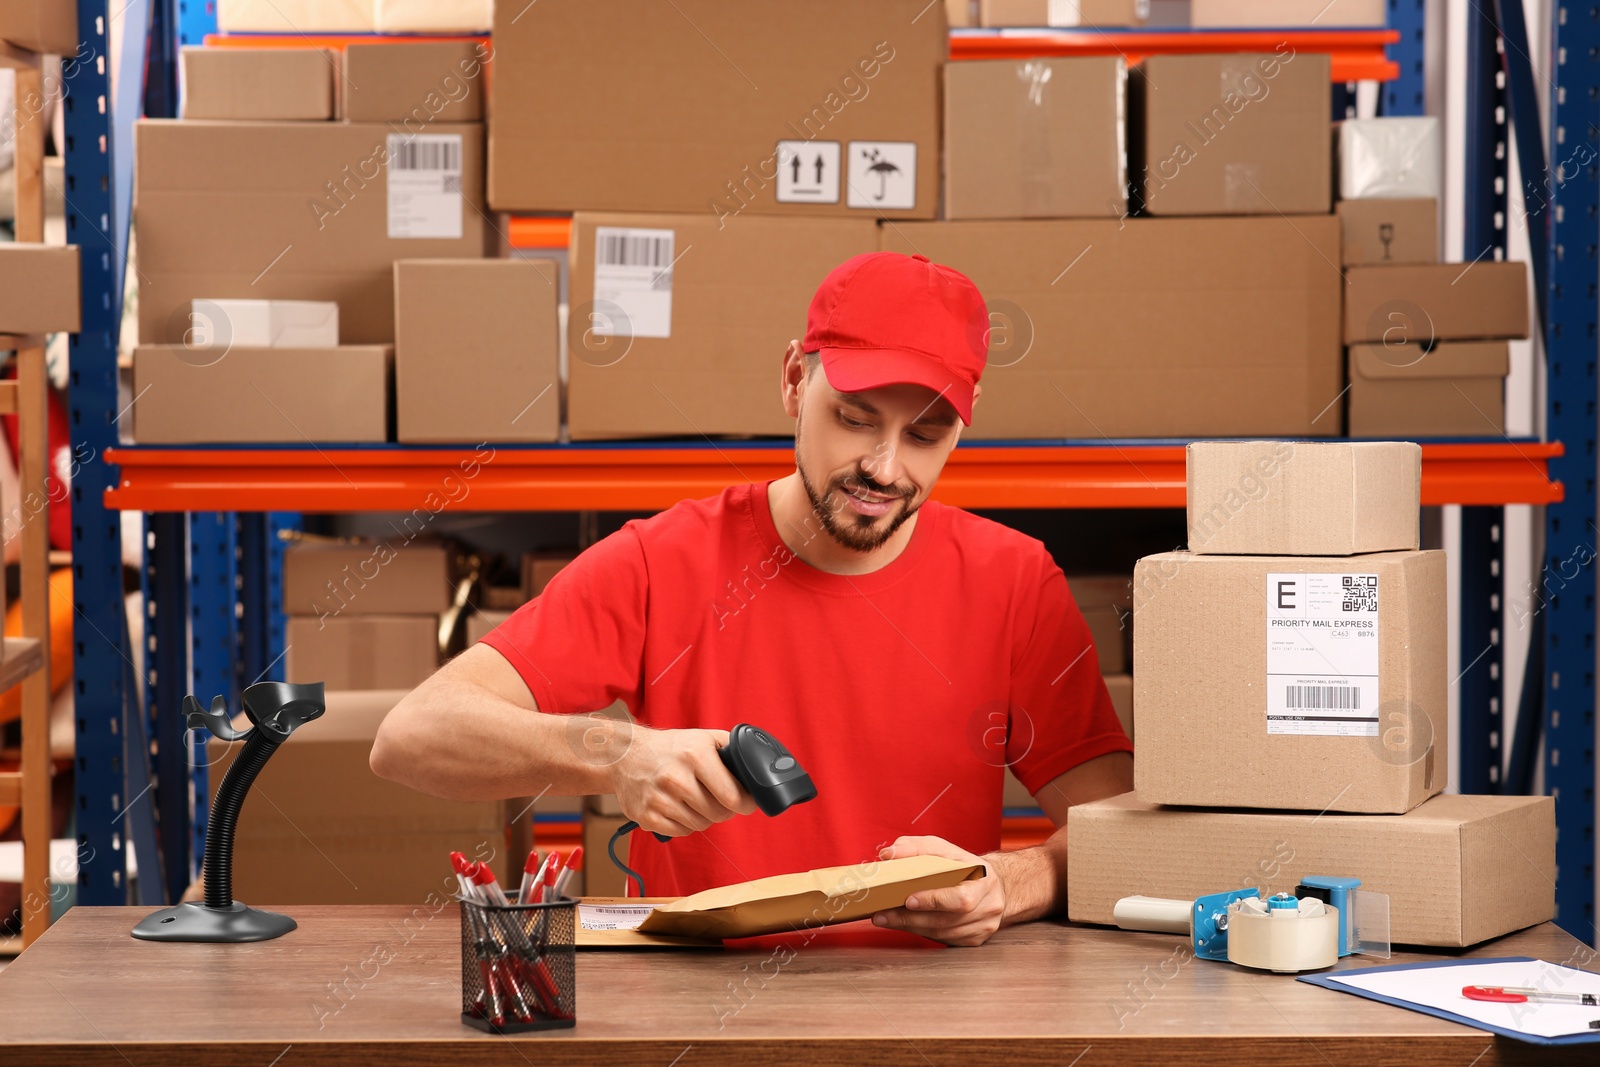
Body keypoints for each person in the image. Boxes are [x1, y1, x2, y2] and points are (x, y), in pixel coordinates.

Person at [372, 251, 1133, 946]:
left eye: (926, 436)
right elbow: (412, 735)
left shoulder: (1014, 583)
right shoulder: (662, 562)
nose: (883, 467)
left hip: (924, 1018)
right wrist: (617, 754)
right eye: (855, 419)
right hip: (699, 1020)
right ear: (795, 381)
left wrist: (1009, 881)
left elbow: (1125, 834)